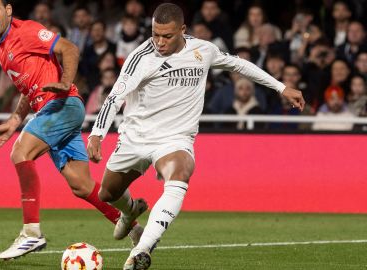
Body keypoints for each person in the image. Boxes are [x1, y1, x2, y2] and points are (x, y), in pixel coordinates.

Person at [87, 3, 305, 270]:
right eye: (155, 34)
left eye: (167, 36)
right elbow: (114, 98)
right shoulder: (141, 58)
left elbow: (240, 65)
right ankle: (130, 210)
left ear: (183, 30)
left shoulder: (203, 49)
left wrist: (281, 87)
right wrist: (97, 134)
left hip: (175, 139)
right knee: (108, 193)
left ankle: (142, 250)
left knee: (180, 173)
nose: (159, 42)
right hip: (136, 137)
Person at [0, 0, 143, 260]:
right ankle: (134, 228)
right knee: (81, 184)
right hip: (53, 110)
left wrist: (66, 82)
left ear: (8, 10)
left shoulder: (25, 31)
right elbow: (28, 90)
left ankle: (31, 233)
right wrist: (13, 121)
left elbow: (69, 48)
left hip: (62, 105)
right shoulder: (2, 47)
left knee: (20, 153)